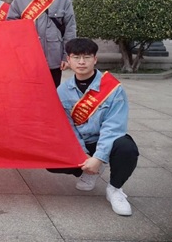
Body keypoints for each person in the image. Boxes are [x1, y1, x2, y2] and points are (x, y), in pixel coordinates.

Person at [48, 38, 139, 216]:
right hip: (82, 142)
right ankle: (89, 172)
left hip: (107, 140)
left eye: (87, 57)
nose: (81, 62)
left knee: (127, 148)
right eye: (76, 57)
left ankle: (115, 189)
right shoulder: (62, 91)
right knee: (51, 159)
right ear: (69, 60)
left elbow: (114, 127)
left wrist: (98, 157)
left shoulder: (113, 88)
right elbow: (68, 127)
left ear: (95, 59)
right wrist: (82, 155)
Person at [7, 0, 76, 86]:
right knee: (29, 94)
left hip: (54, 58)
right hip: (28, 60)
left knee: (53, 93)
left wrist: (67, 56)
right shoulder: (20, 1)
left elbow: (70, 29)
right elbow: (11, 31)